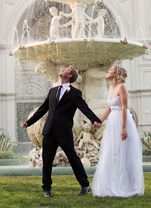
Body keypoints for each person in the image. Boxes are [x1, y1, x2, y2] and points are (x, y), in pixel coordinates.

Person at [21, 66, 102, 198]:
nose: (63, 70)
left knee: (73, 158)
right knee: (47, 161)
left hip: (64, 131)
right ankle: (47, 188)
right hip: (49, 131)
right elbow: (42, 109)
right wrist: (29, 122)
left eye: (66, 70)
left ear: (69, 76)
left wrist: (95, 120)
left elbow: (84, 108)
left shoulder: (75, 93)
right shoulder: (52, 91)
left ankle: (85, 185)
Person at [92, 65, 144, 197]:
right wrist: (100, 121)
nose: (107, 71)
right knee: (112, 153)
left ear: (116, 74)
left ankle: (128, 187)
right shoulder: (110, 88)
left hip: (122, 121)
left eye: (110, 70)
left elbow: (124, 107)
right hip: (112, 123)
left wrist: (124, 127)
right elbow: (109, 108)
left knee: (124, 154)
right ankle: (111, 186)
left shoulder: (122, 87)